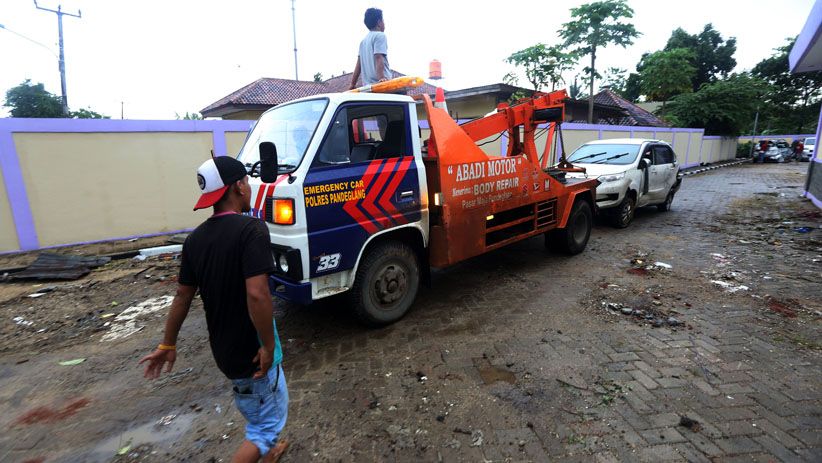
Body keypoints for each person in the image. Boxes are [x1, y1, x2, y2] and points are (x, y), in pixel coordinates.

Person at [139, 156, 288, 463]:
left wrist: (168, 344)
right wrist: (269, 346)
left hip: (224, 352)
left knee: (257, 409)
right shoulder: (252, 229)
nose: (249, 187)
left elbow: (182, 297)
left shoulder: (194, 240)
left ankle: (269, 451)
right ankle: (264, 445)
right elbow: (257, 295)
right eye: (246, 182)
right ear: (237, 187)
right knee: (265, 428)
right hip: (253, 352)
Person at [349, 7, 392, 89]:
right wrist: (381, 78)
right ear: (379, 22)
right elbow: (378, 57)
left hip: (368, 87)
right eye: (383, 21)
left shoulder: (363, 42)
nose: (384, 23)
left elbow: (358, 65)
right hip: (380, 84)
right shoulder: (380, 35)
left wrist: (352, 84)